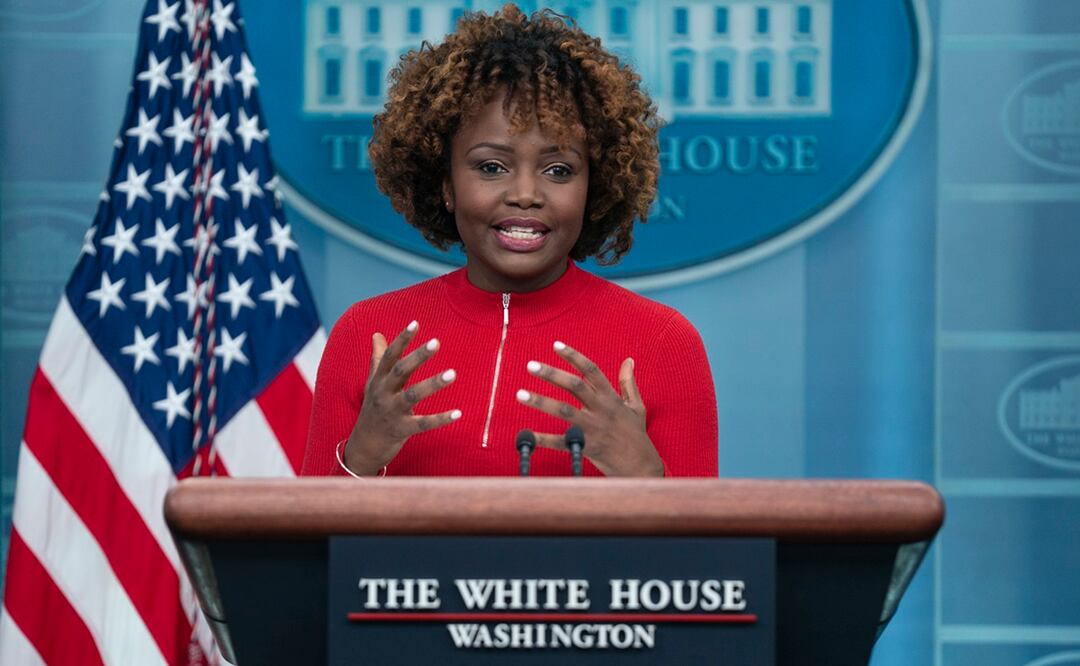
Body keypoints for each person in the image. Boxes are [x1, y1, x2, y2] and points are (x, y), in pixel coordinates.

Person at [301, 4, 718, 478]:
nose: (524, 193)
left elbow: (704, 529)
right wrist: (361, 457)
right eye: (491, 167)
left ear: (595, 186)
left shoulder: (663, 342)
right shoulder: (368, 334)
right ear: (445, 183)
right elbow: (305, 527)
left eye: (558, 170)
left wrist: (643, 475)